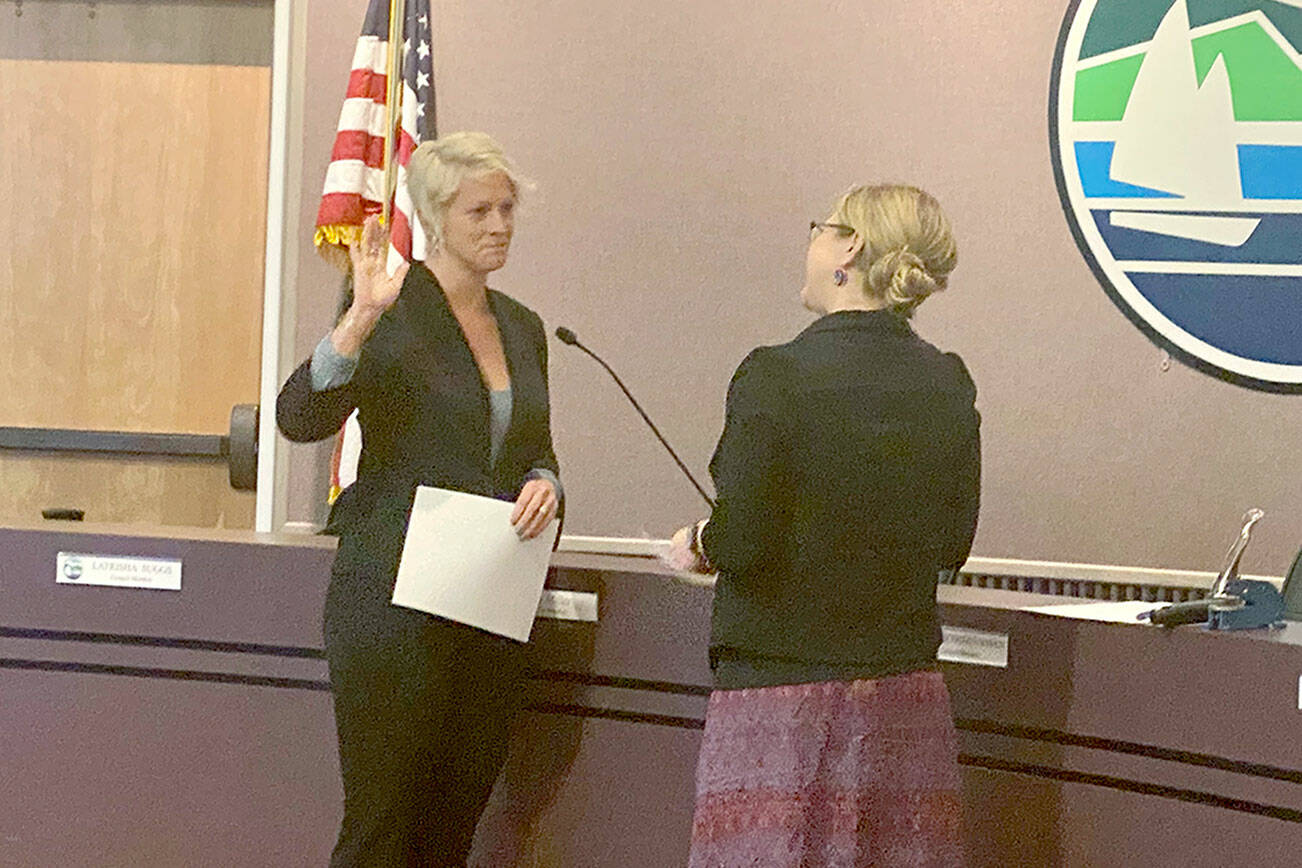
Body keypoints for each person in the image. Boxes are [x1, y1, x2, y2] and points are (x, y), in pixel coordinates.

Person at [665, 184, 980, 867]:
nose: (811, 242)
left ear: (850, 248)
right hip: (903, 696)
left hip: (781, 702)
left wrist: (698, 543)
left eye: (821, 228)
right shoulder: (947, 382)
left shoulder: (775, 375)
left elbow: (744, 538)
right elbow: (953, 540)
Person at [276, 131, 561, 867]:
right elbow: (299, 418)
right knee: (383, 824)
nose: (499, 226)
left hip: (487, 601)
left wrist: (546, 484)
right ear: (435, 218)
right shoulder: (390, 309)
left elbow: (534, 449)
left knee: (451, 827)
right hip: (392, 598)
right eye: (479, 212)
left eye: (507, 210)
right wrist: (358, 320)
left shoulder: (524, 327)